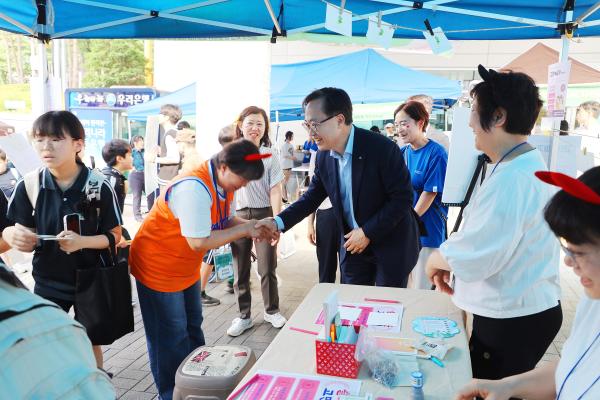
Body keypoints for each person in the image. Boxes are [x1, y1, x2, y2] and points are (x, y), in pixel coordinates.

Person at [425, 66, 562, 382]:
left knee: (489, 389)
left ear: (498, 117)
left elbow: (478, 252)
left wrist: (437, 259)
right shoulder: (520, 165)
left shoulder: (513, 178)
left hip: (514, 317)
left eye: (474, 112)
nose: (471, 122)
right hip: (521, 310)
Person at [129, 139, 275, 400]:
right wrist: (245, 228)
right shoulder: (193, 188)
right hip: (158, 270)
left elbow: (224, 220)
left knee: (193, 328)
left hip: (184, 268)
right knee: (170, 338)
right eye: (241, 179)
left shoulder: (222, 183)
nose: (243, 185)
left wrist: (253, 225)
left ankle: (196, 387)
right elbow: (199, 242)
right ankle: (171, 394)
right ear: (223, 167)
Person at [455, 166, 600, 400]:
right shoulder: (593, 300)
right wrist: (507, 387)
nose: (569, 261)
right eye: (567, 248)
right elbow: (570, 368)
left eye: (579, 252)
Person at [260, 87, 420, 288]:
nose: (310, 133)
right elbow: (311, 198)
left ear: (339, 120)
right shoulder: (324, 157)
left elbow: (402, 199)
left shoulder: (381, 148)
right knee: (352, 304)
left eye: (315, 124)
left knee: (385, 309)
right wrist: (278, 223)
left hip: (390, 243)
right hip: (354, 246)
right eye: (307, 125)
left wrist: (367, 232)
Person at [3, 111, 122, 371]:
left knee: (90, 341)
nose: (46, 146)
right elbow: (19, 230)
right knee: (47, 342)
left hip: (91, 279)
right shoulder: (30, 184)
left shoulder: (96, 185)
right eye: (39, 139)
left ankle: (97, 386)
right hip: (48, 280)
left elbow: (115, 235)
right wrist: (15, 236)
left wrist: (82, 242)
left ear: (78, 145)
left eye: (56, 139)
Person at [227, 106, 286, 337]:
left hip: (263, 214)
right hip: (238, 216)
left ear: (265, 129)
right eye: (250, 123)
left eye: (259, 124)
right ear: (240, 125)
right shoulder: (230, 153)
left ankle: (272, 310)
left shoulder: (270, 155)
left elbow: (275, 189)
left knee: (266, 266)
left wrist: (276, 220)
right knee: (239, 268)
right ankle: (244, 316)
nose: (254, 128)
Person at [395, 101, 448, 289]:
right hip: (405, 231)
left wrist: (409, 223)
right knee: (405, 286)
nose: (400, 129)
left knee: (422, 287)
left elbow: (429, 194)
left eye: (404, 123)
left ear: (420, 122)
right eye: (397, 124)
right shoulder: (402, 153)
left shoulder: (436, 153)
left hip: (427, 231)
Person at [306, 140, 341, 283]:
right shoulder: (319, 154)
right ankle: (327, 304)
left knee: (350, 271)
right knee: (326, 269)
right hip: (325, 215)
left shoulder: (352, 151)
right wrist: (310, 223)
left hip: (349, 218)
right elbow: (312, 193)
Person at [153, 104, 182, 191]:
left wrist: (154, 159)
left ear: (166, 117)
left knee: (166, 204)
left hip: (168, 180)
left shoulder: (169, 134)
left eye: (160, 114)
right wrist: (162, 152)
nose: (158, 116)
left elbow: (175, 158)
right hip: (172, 179)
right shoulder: (175, 132)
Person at [101, 139, 132, 214]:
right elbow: (110, 216)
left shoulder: (111, 176)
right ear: (119, 159)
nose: (132, 159)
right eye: (130, 155)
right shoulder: (113, 181)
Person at [129, 135, 154, 222]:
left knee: (151, 194)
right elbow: (128, 163)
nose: (143, 142)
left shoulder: (145, 152)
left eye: (143, 140)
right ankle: (137, 216)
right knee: (137, 196)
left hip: (146, 175)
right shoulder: (132, 152)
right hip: (136, 175)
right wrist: (132, 168)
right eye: (140, 141)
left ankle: (152, 212)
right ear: (135, 143)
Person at [280, 130, 295, 203]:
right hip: (284, 166)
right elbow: (284, 155)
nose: (292, 137)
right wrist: (292, 157)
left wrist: (293, 156)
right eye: (292, 136)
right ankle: (284, 198)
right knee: (284, 183)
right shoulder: (284, 145)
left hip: (289, 166)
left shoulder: (291, 145)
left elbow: (292, 154)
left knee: (286, 183)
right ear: (288, 136)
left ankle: (285, 198)